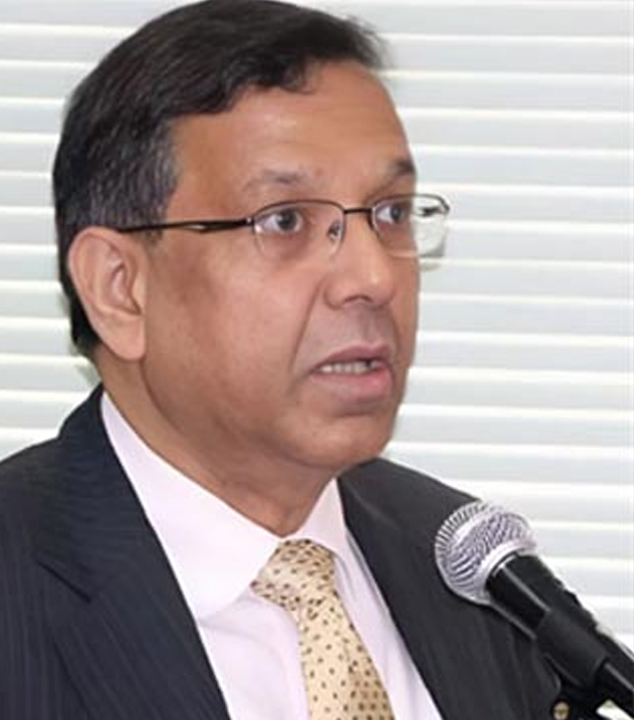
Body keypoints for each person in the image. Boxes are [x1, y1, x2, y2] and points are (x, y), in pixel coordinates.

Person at [0, 2, 565, 718]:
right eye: (285, 221)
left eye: (392, 213)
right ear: (120, 289)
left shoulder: (471, 570)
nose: (374, 277)